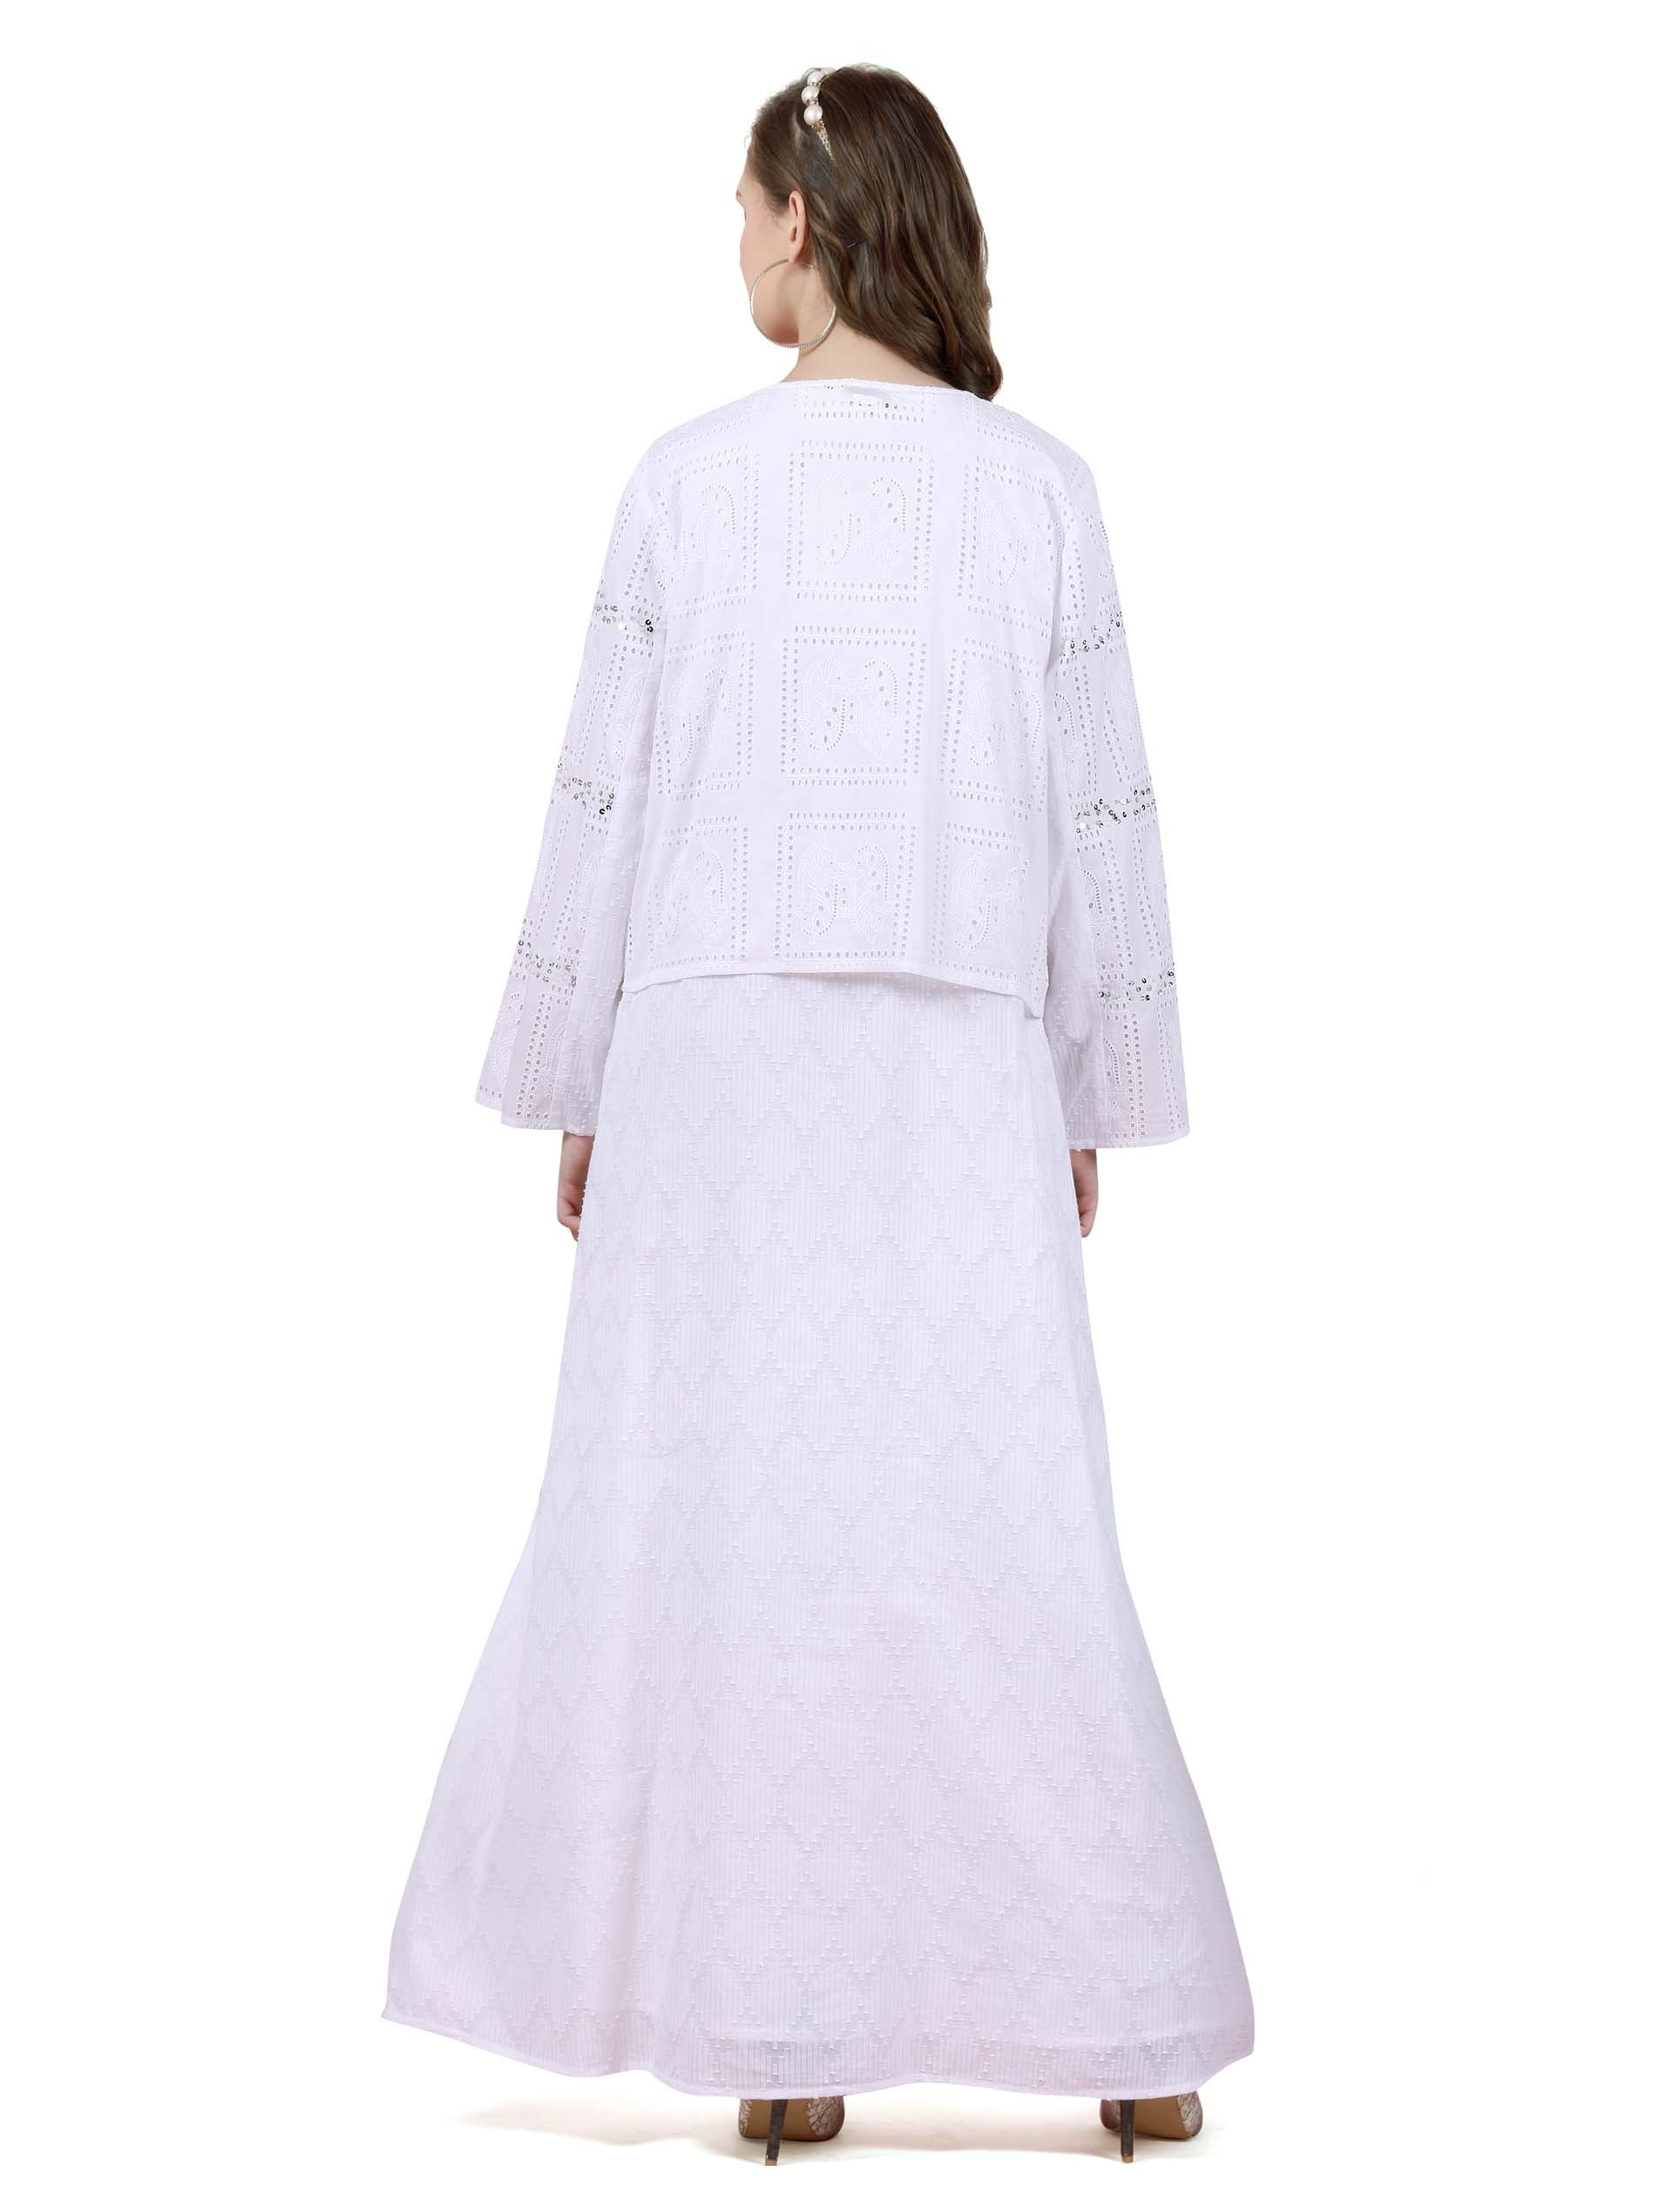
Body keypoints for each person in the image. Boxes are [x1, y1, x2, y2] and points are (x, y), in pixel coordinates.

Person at [384, 63, 1253, 2167]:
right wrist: (1083, 1085)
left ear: (808, 214)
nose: (734, 242)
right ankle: (1131, 2031)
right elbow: (1102, 819)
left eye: (742, 206)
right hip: (954, 1057)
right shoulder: (1037, 489)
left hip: (714, 1071)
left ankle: (782, 2029)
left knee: (737, 1527)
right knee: (1010, 1527)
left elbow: (603, 802)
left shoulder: (686, 483)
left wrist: (580, 1081)